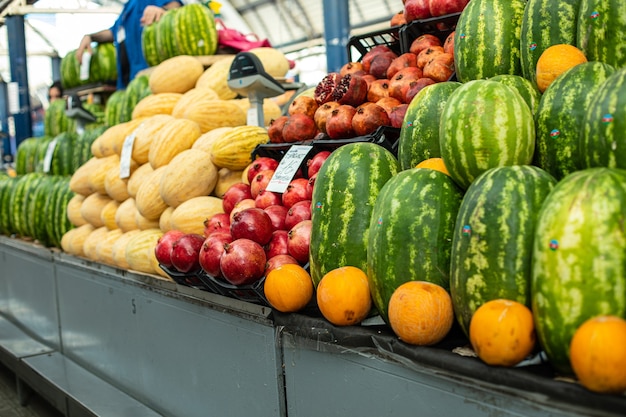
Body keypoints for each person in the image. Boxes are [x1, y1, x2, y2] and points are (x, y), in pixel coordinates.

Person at [76, 1, 183, 89]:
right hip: (128, 83)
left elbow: (175, 5)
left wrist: (162, 10)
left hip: (151, 79)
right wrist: (90, 37)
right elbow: (113, 33)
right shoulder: (126, 9)